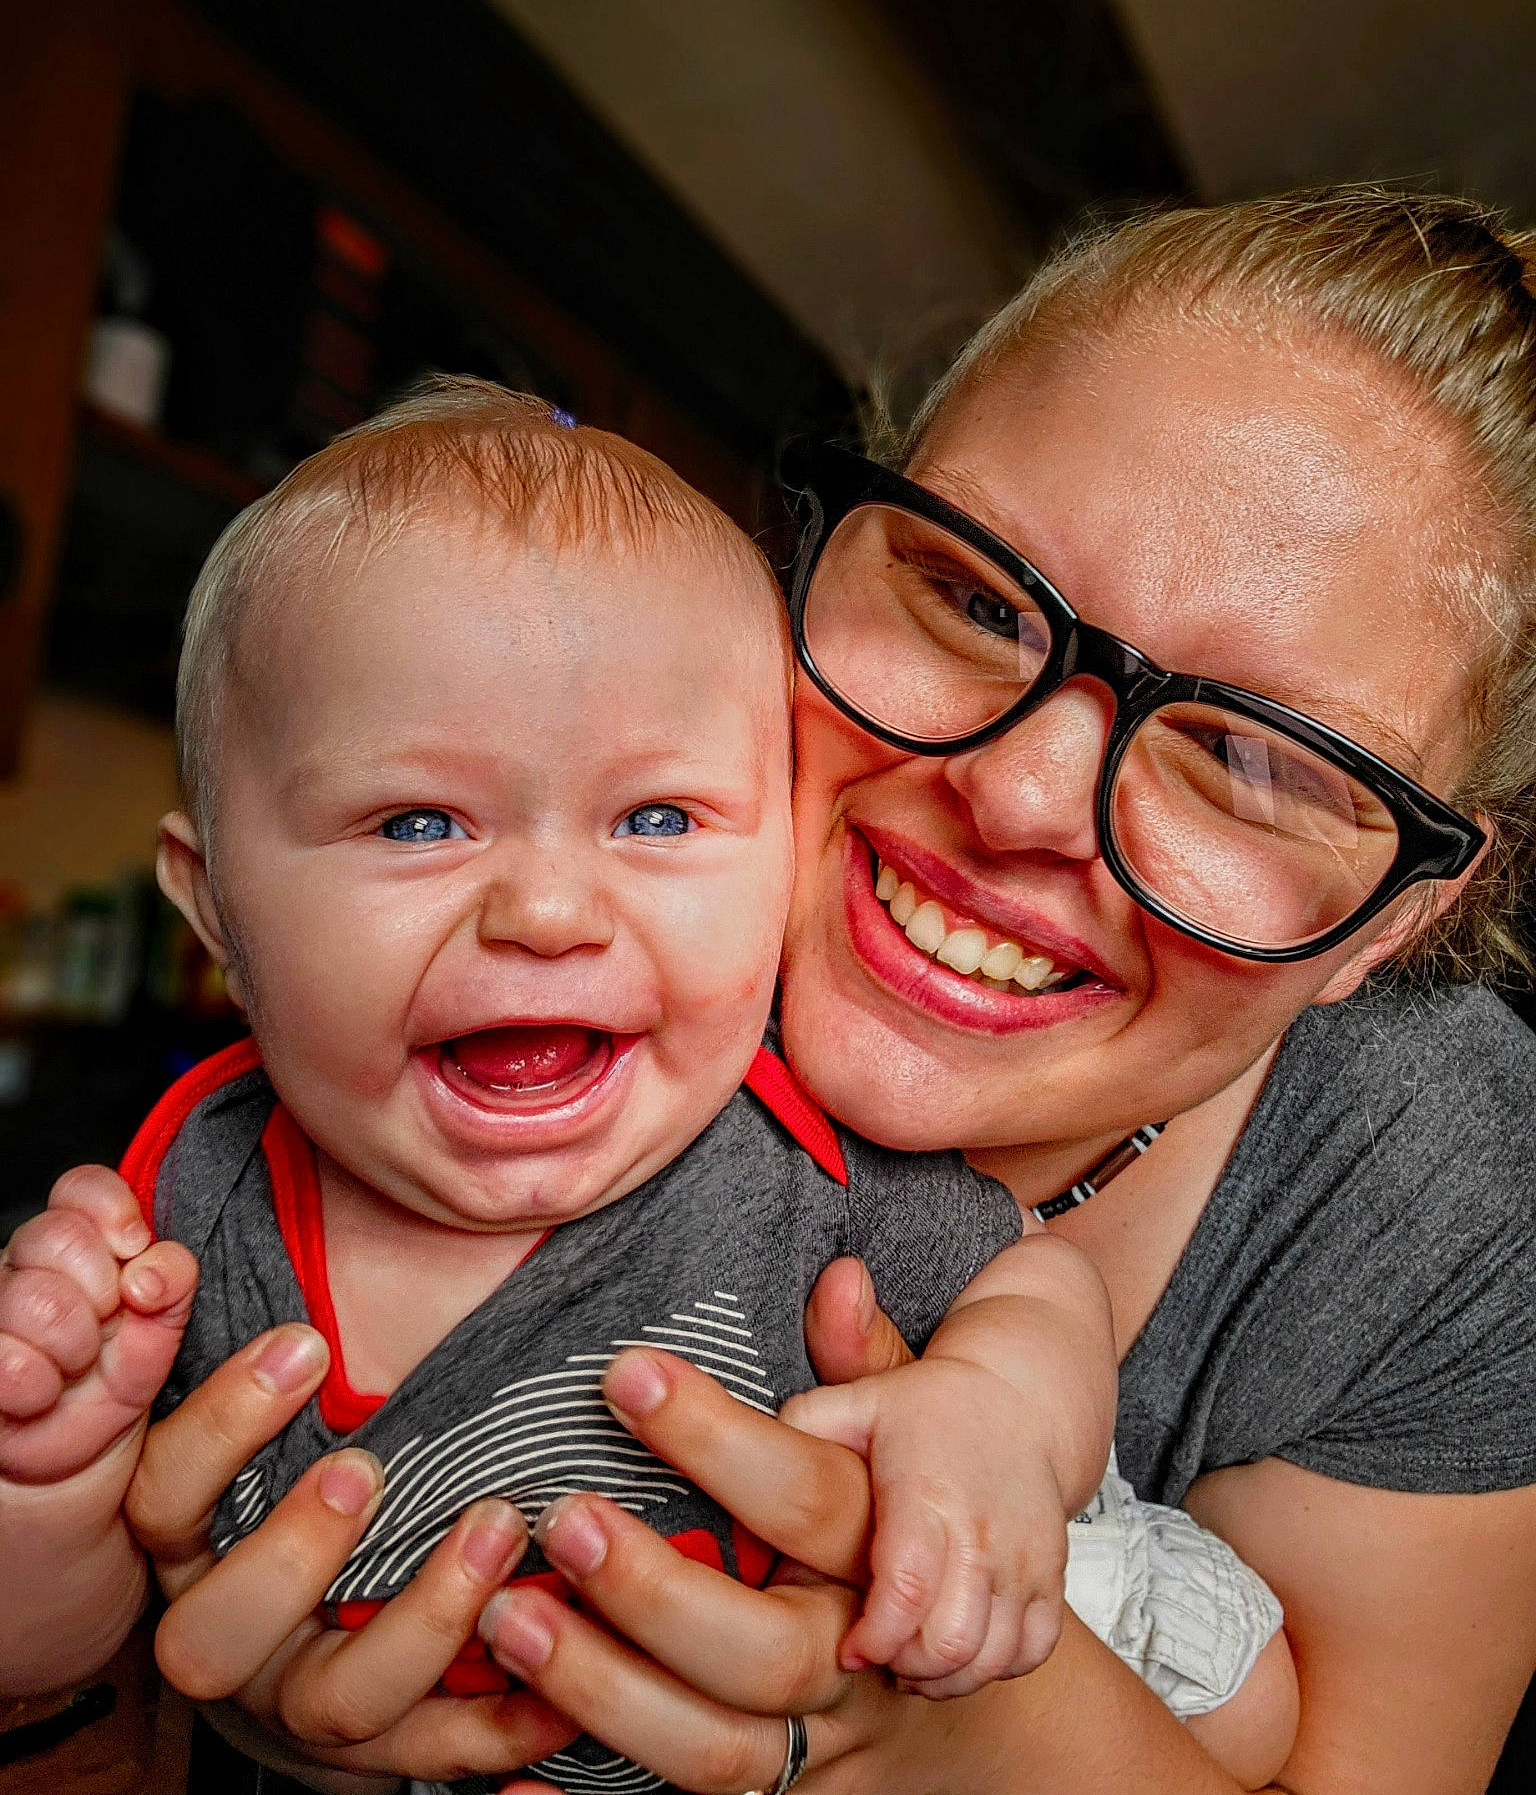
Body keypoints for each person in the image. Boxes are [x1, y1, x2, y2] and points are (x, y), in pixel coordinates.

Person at [33, 187, 1536, 1795]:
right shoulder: (458, 992)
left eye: (1252, 758)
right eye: (970, 594)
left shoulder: (1443, 1190)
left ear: (1398, 922)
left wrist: (963, 1730)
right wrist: (148, 1694)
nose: (1023, 799)